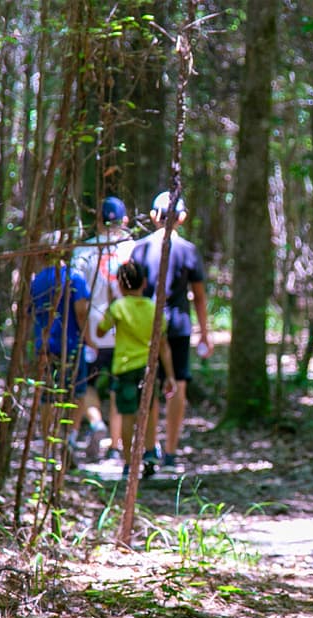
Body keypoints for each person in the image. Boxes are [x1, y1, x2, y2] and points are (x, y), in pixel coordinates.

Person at [131, 190, 212, 472]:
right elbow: (199, 296)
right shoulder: (188, 250)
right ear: (182, 218)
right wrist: (205, 333)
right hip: (177, 326)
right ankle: (170, 452)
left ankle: (150, 448)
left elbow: (129, 290)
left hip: (145, 328)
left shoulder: (139, 249)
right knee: (177, 384)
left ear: (154, 216)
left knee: (149, 385)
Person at [95, 261, 177, 479]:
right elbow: (163, 345)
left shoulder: (117, 308)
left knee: (127, 414)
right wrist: (170, 376)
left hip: (124, 368)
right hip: (148, 369)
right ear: (144, 283)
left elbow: (100, 332)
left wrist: (110, 307)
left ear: (120, 285)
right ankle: (150, 454)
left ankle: (129, 462)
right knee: (149, 411)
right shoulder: (154, 309)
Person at [72, 196, 136, 462]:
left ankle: (95, 425)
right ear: (125, 220)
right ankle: (116, 446)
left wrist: (85, 334)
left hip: (91, 332)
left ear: (98, 220)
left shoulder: (82, 251)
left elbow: (79, 300)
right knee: (118, 386)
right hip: (124, 332)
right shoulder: (133, 249)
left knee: (84, 385)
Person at [29, 244, 92, 465]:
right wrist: (89, 339)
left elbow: (31, 315)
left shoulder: (36, 281)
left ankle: (49, 445)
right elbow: (82, 311)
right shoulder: (75, 277)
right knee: (77, 393)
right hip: (72, 345)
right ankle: (69, 440)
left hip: (45, 347)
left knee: (48, 395)